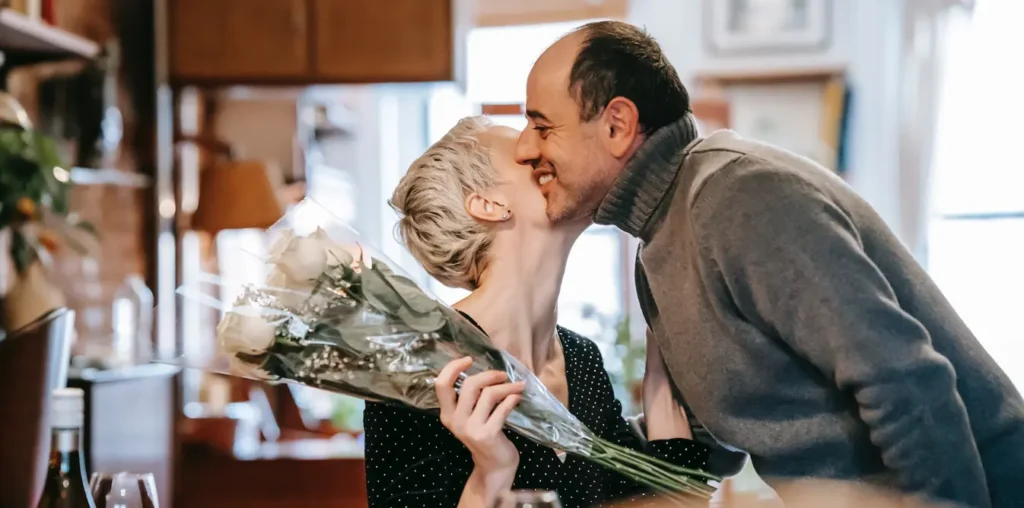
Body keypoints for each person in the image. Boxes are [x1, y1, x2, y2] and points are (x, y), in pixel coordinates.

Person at [512, 18, 1024, 508]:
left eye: (540, 125)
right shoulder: (658, 246)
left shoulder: (739, 198)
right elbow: (726, 430)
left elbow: (907, 383)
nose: (522, 147)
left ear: (618, 125)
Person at [362, 116, 712, 508]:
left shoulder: (581, 361)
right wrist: (491, 472)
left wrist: (660, 385)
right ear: (489, 204)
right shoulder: (416, 364)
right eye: (525, 156)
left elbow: (656, 500)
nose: (540, 153)